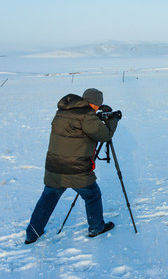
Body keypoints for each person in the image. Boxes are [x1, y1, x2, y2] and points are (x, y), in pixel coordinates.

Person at [25, 88, 119, 244]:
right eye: (97, 106)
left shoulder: (62, 112)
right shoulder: (87, 117)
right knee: (92, 194)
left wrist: (96, 117)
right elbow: (104, 135)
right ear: (94, 104)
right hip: (76, 169)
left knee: (48, 198)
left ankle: (32, 234)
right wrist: (112, 120)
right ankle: (96, 228)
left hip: (54, 166)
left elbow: (79, 128)